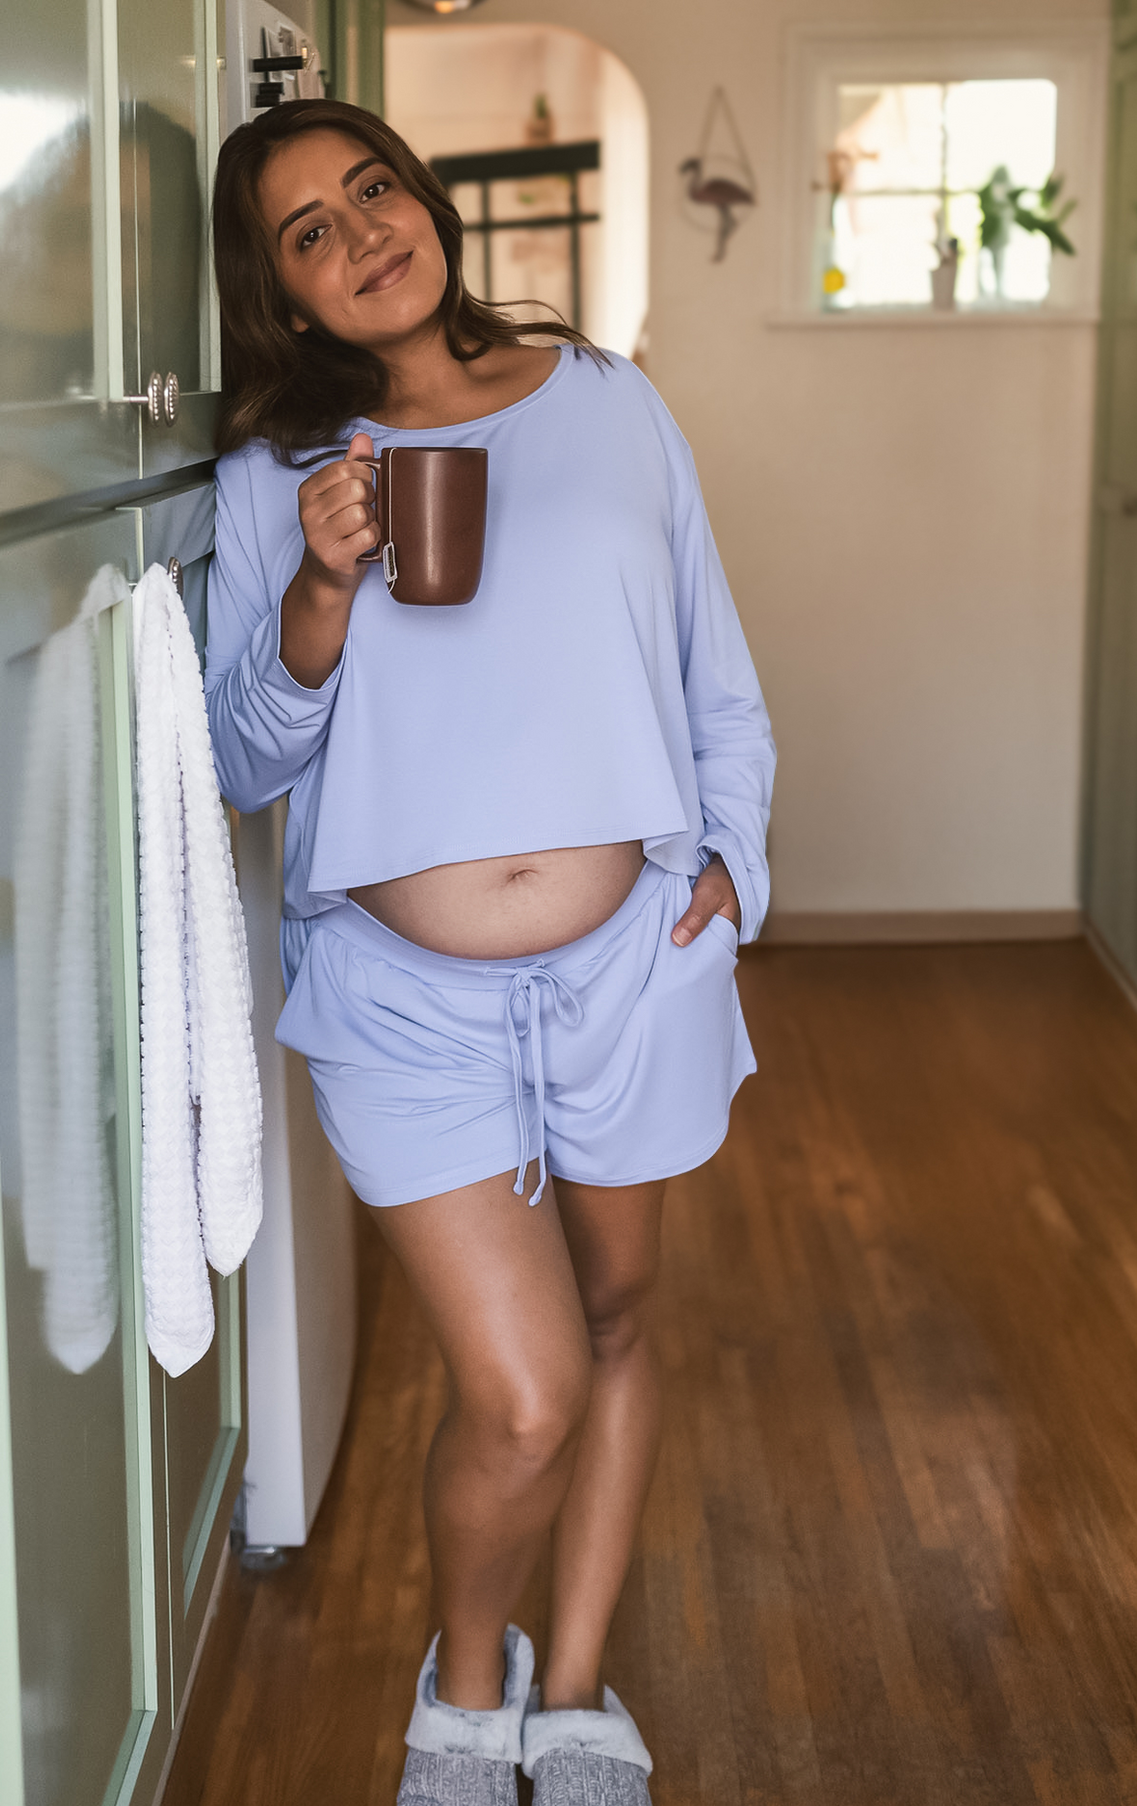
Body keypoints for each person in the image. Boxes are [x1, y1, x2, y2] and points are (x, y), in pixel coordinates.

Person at [204, 97, 774, 1806]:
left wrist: (734, 863)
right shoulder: (276, 475)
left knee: (619, 1319)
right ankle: (465, 1699)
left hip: (628, 969)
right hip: (406, 1007)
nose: (363, 233)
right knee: (523, 1392)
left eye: (374, 189)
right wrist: (321, 591)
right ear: (283, 294)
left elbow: (712, 662)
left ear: (426, 201)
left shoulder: (606, 401)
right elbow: (242, 759)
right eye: (311, 231)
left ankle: (576, 1692)